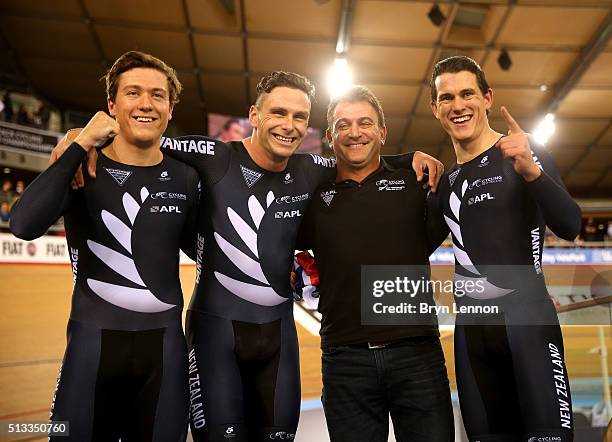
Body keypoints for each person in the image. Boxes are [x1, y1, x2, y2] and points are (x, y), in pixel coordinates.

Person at [54, 71, 444, 442]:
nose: (288, 125)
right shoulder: (216, 156)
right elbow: (146, 134)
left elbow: (368, 159)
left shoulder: (315, 170)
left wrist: (409, 157)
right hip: (229, 339)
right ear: (255, 115)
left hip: (305, 342)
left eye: (298, 117)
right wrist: (80, 138)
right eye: (278, 112)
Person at [11, 51, 200, 441]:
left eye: (157, 95)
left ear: (170, 107)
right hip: (90, 353)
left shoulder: (186, 177)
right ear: (111, 105)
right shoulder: (82, 167)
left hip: (164, 359)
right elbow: (24, 224)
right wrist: (78, 144)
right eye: (133, 93)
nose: (146, 103)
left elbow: (207, 249)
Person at [428, 55, 581, 441]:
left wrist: (532, 172)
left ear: (488, 98)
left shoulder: (522, 152)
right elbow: (405, 247)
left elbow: (570, 225)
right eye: (447, 98)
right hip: (472, 342)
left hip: (528, 328)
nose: (458, 105)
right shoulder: (445, 185)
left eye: (468, 94)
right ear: (435, 108)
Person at [296, 85, 453, 442]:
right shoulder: (313, 197)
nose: (355, 133)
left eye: (365, 123)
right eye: (344, 125)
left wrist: (408, 156)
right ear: (330, 137)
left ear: (382, 132)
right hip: (345, 361)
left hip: (418, 355)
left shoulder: (415, 182)